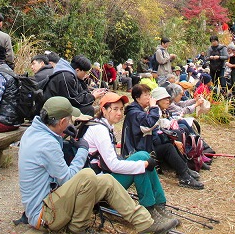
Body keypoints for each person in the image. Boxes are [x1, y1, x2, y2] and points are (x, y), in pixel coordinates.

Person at [18, 96, 174, 234]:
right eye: (70, 120)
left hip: (51, 201)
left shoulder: (35, 132)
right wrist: (82, 150)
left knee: (107, 180)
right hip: (45, 215)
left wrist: (64, 136)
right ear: (62, 122)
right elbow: (67, 179)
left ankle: (145, 223)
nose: (119, 113)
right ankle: (78, 228)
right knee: (87, 175)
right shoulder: (47, 143)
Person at [81, 92, 178, 226]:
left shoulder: (104, 125)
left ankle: (159, 205)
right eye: (114, 109)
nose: (119, 113)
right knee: (140, 164)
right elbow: (113, 165)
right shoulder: (100, 130)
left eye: (121, 109)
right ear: (103, 110)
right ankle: (149, 211)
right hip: (98, 187)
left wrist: (142, 162)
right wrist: (142, 165)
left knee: (143, 155)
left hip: (103, 178)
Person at [122, 84, 203, 189]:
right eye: (146, 95)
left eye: (149, 95)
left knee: (171, 142)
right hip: (136, 151)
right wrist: (154, 107)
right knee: (169, 146)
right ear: (137, 98)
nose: (149, 98)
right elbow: (149, 125)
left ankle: (185, 171)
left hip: (143, 146)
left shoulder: (139, 110)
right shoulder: (135, 113)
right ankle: (184, 175)